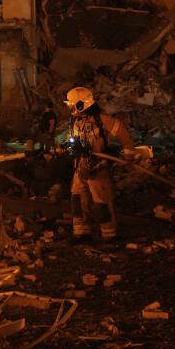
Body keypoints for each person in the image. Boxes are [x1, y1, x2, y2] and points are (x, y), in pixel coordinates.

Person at [56, 86, 134, 240]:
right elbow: (72, 140)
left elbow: (123, 134)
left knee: (101, 200)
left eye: (72, 105)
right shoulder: (75, 121)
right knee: (77, 197)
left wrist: (129, 155)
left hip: (99, 165)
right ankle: (82, 232)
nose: (70, 108)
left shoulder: (101, 120)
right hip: (81, 165)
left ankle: (109, 234)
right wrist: (64, 146)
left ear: (81, 104)